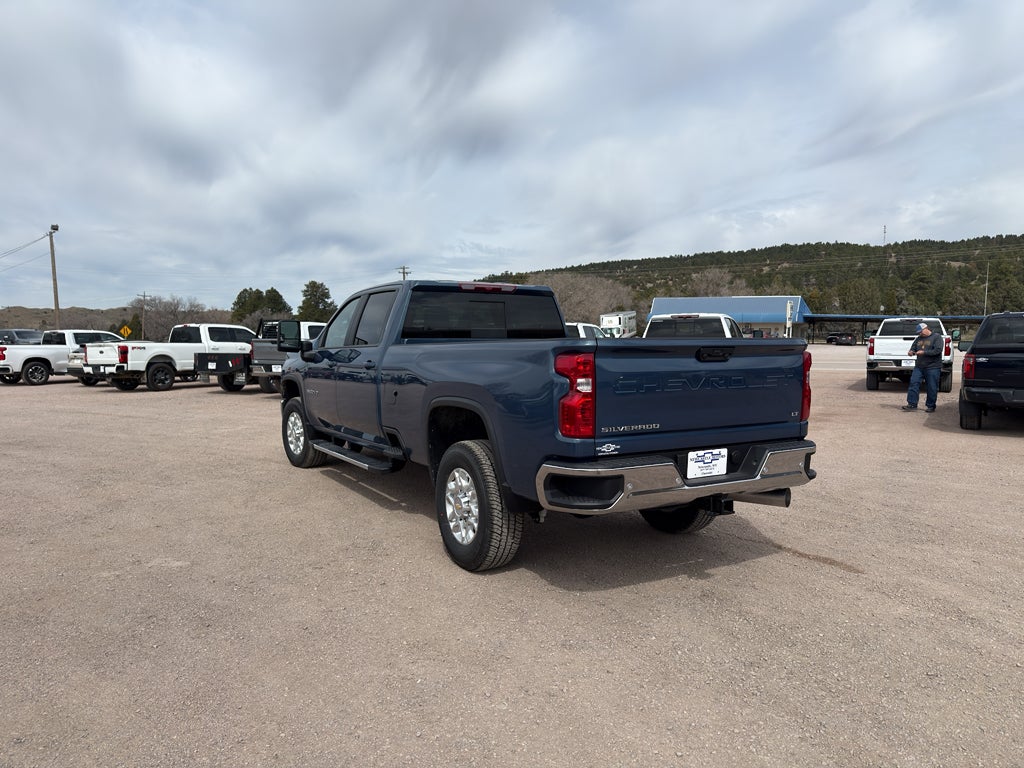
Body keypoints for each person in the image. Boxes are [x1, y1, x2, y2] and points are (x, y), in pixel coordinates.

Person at [901, 322, 943, 412]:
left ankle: (931, 406)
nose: (920, 333)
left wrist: (924, 352)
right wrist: (911, 351)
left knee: (932, 386)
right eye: (918, 332)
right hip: (919, 366)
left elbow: (938, 350)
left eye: (921, 331)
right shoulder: (919, 339)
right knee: (913, 383)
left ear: (926, 328)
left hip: (933, 367)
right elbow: (914, 347)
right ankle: (912, 404)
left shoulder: (936, 337)